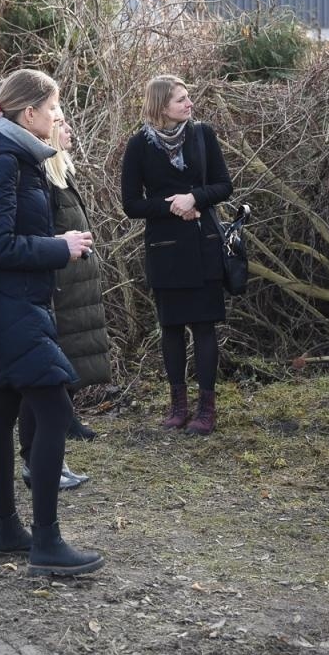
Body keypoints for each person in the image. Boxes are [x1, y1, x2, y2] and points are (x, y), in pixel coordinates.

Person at [0, 72, 103, 576]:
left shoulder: (11, 158)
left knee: (2, 413)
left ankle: (8, 531)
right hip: (10, 310)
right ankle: (46, 542)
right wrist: (60, 247)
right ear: (28, 114)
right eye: (53, 110)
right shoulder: (6, 162)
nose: (57, 118)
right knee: (52, 413)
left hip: (10, 307)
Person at [121, 75, 233, 435]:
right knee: (171, 328)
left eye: (188, 98)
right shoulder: (139, 145)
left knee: (203, 326)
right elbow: (131, 204)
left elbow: (224, 185)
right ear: (160, 107)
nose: (189, 104)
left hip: (203, 244)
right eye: (181, 100)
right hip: (164, 248)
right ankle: (178, 407)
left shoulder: (203, 135)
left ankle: (206, 410)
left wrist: (196, 199)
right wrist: (172, 206)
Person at [19, 117, 111, 490]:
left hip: (75, 294)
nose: (71, 128)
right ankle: (36, 463)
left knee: (56, 385)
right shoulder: (42, 180)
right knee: (44, 387)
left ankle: (51, 461)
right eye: (60, 122)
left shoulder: (60, 176)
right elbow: (40, 240)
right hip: (59, 296)